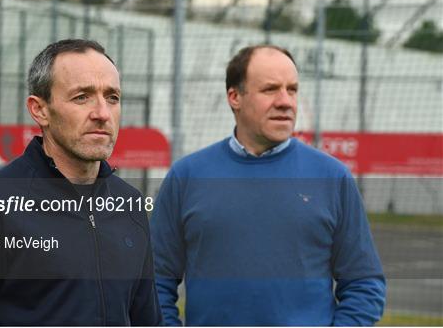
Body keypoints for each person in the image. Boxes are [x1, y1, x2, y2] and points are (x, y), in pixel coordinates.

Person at [0, 39, 162, 325]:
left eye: (112, 97)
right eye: (82, 97)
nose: (102, 113)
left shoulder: (130, 205)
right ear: (39, 110)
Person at [151, 45, 386, 326]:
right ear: (235, 97)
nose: (286, 101)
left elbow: (364, 284)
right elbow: (152, 282)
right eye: (271, 89)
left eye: (292, 89)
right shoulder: (186, 176)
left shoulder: (332, 177)